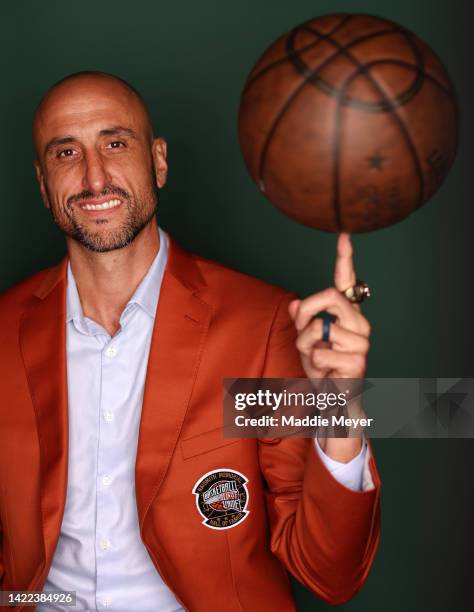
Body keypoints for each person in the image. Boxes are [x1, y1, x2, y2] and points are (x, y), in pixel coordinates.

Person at [0, 71, 380, 612]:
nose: (94, 176)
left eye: (114, 143)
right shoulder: (3, 331)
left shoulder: (261, 327)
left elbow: (329, 572)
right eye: (66, 153)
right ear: (42, 183)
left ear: (158, 160)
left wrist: (339, 412)